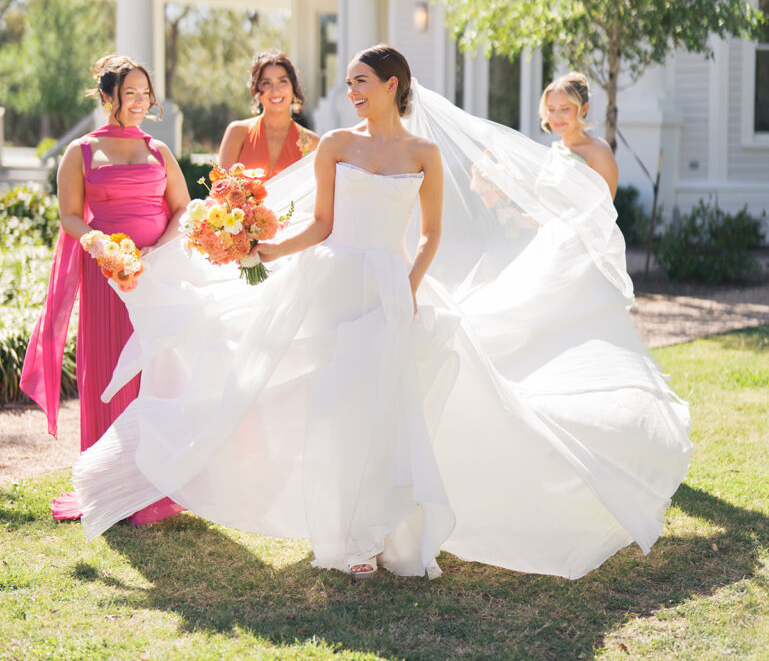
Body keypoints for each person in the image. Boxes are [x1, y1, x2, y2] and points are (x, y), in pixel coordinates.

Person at [73, 46, 691, 580]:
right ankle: (346, 540)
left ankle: (393, 535)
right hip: (332, 283)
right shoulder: (337, 145)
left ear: (392, 86)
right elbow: (319, 224)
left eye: (360, 82)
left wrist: (411, 285)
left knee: (387, 411)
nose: (350, 93)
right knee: (334, 408)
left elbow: (430, 234)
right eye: (347, 84)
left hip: (391, 289)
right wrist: (266, 249)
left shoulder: (424, 154)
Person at [21, 54, 190, 524]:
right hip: (108, 277)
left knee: (152, 372)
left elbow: (182, 207)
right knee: (109, 370)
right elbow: (70, 216)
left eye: (144, 94)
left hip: (154, 277)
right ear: (106, 97)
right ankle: (107, 481)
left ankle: (151, 481)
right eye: (129, 93)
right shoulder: (82, 151)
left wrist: (156, 253)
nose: (138, 102)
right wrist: (99, 245)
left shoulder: (158, 150)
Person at [218, 51, 319, 176]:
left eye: (283, 81)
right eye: (266, 83)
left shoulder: (313, 142)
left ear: (293, 86)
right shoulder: (238, 133)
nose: (275, 90)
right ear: (256, 90)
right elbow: (220, 188)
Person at [540, 71, 618, 198]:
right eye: (551, 109)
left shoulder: (599, 152)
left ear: (584, 109)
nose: (556, 117)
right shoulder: (555, 150)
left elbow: (604, 212)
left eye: (564, 109)